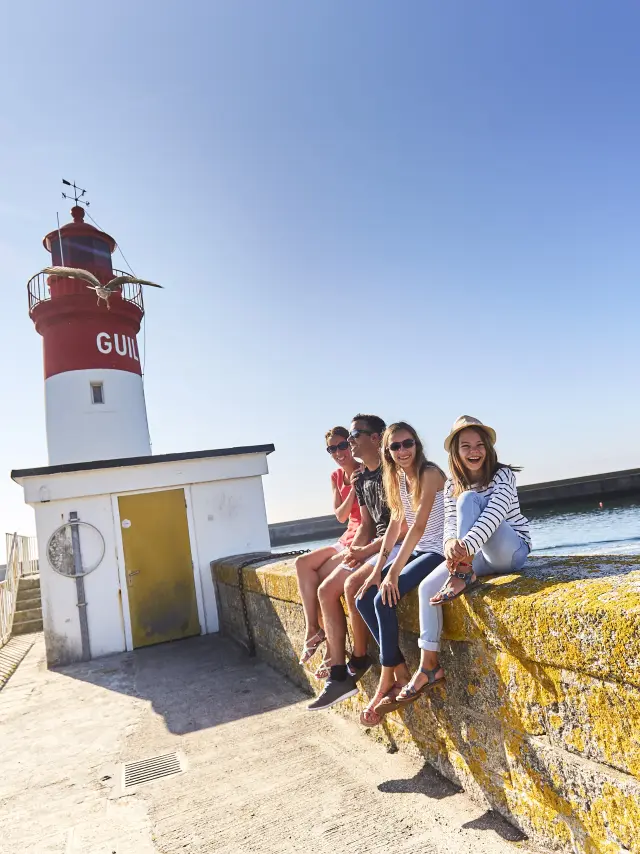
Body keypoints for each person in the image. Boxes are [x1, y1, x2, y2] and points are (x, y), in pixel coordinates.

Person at [388, 415, 531, 709]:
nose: (473, 451)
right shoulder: (452, 483)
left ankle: (463, 572)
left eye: (479, 444)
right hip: (475, 557)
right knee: (428, 588)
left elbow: (493, 517)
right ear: (455, 451)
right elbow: (450, 525)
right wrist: (450, 544)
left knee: (468, 501)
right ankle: (429, 666)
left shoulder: (503, 476)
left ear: (488, 448)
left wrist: (462, 548)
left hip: (511, 551)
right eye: (465, 446)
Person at [308, 414, 403, 711]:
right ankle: (338, 674)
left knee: (351, 586)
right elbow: (366, 524)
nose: (348, 444)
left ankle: (358, 659)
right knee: (325, 590)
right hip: (373, 545)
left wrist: (366, 551)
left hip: (394, 546)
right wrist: (357, 547)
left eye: (353, 437)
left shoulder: (394, 473)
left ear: (376, 438)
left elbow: (401, 526)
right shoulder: (361, 479)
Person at [354, 422, 445, 726]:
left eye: (408, 444)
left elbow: (418, 528)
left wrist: (392, 572)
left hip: (438, 551)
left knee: (383, 600)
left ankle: (386, 680)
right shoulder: (395, 478)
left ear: (416, 444)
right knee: (364, 597)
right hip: (419, 551)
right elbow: (395, 526)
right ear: (388, 452)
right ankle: (400, 669)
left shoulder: (429, 474)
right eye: (395, 446)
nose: (403, 451)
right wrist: (378, 570)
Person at [295, 427, 362, 676]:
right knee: (302, 563)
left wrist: (356, 485)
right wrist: (352, 489)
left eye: (342, 446)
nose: (338, 452)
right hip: (345, 537)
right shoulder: (336, 476)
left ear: (351, 444)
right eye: (332, 449)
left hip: (359, 539)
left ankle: (332, 649)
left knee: (323, 575)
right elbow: (341, 515)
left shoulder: (364, 470)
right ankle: (312, 628)